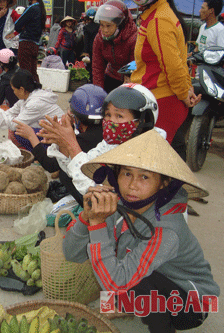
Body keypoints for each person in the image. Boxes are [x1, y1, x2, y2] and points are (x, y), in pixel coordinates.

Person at [63, 129, 219, 333]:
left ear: (163, 183)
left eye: (144, 177)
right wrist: (87, 218)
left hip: (192, 302)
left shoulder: (168, 229)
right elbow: (72, 254)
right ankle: (131, 305)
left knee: (137, 282)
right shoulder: (117, 206)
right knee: (125, 273)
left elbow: (115, 284)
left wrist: (99, 226)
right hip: (154, 277)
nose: (132, 185)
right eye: (127, 173)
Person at [40, 83, 163, 197]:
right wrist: (62, 144)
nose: (110, 121)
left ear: (142, 121)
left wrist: (71, 144)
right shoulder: (109, 144)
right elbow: (81, 169)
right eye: (108, 115)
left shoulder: (148, 150)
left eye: (119, 115)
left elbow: (98, 190)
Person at [14, 84, 106, 204]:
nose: (68, 112)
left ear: (76, 117)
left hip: (95, 197)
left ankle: (85, 206)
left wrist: (32, 136)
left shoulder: (83, 140)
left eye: (70, 111)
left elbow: (51, 165)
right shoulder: (104, 132)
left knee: (64, 174)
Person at [130, 0, 201, 154]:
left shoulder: (159, 20)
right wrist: (187, 90)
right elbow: (180, 60)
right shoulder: (157, 14)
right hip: (158, 100)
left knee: (158, 162)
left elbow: (173, 66)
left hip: (162, 102)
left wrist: (184, 94)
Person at [0, 69, 65, 150]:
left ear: (22, 89)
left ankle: (42, 152)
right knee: (16, 129)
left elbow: (15, 125)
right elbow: (10, 113)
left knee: (19, 131)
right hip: (50, 132)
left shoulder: (35, 103)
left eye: (14, 90)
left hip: (58, 137)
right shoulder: (26, 98)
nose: (14, 92)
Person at [92, 0, 137, 93]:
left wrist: (129, 77)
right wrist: (99, 92)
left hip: (130, 78)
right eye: (101, 25)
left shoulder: (133, 38)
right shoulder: (99, 38)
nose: (104, 30)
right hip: (111, 76)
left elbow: (135, 63)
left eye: (109, 26)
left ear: (120, 24)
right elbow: (97, 67)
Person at [9, 0, 46, 83]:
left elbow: (18, 24)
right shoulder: (41, 9)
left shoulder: (32, 8)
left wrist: (22, 27)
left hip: (26, 43)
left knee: (25, 72)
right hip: (35, 44)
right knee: (33, 72)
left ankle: (27, 93)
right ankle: (37, 91)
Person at [81, 7, 99, 78]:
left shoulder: (86, 27)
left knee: (89, 67)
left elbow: (86, 40)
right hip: (98, 49)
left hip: (90, 50)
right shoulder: (99, 26)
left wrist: (85, 52)